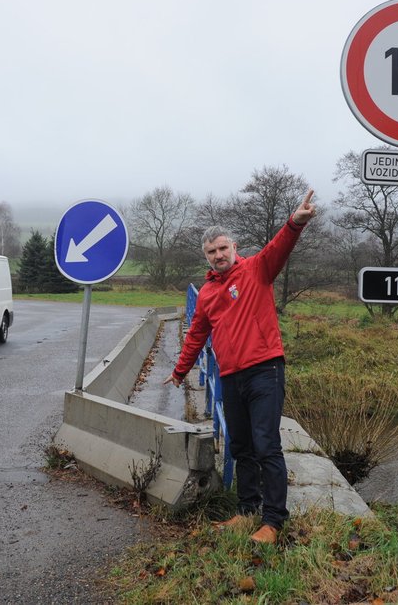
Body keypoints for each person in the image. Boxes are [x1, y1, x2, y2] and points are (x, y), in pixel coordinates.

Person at [164, 189, 317, 544]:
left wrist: (294, 223)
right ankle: (247, 510)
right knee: (240, 446)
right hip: (231, 376)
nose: (218, 255)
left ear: (233, 247)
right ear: (206, 256)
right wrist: (179, 371)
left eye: (223, 248)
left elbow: (279, 247)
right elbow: (197, 334)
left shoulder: (256, 270)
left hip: (265, 369)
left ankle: (274, 520)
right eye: (211, 252)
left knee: (266, 444)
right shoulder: (206, 294)